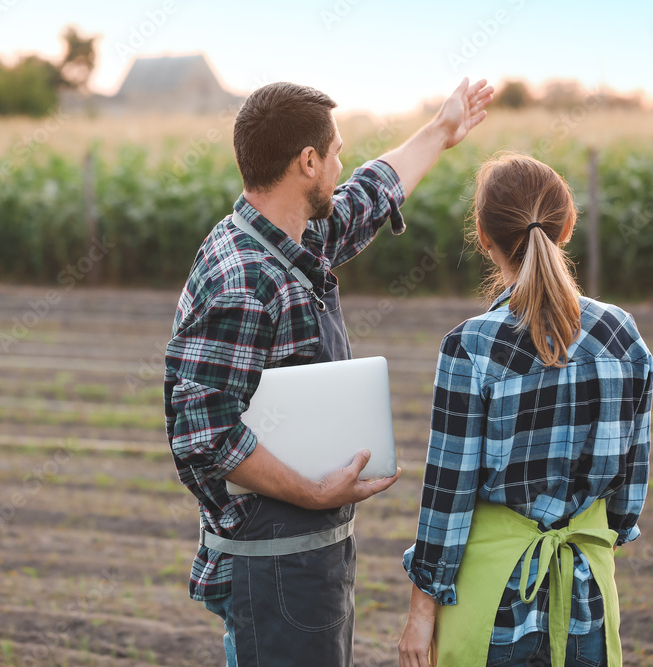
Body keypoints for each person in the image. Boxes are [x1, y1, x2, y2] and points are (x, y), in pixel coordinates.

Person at [164, 78, 494, 667]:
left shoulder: (291, 239)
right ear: (307, 161)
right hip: (275, 569)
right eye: (336, 152)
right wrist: (316, 492)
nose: (344, 164)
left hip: (302, 562)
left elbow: (371, 193)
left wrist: (442, 131)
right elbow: (203, 434)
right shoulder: (245, 278)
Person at [398, 152, 653, 667]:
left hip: (492, 604)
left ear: (483, 235)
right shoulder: (622, 336)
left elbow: (448, 493)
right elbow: (628, 492)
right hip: (586, 597)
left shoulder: (471, 347)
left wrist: (421, 610)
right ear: (566, 228)